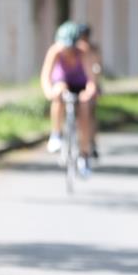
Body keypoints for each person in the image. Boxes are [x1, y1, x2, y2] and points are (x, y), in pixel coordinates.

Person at [40, 21, 98, 177]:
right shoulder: (55, 52)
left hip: (81, 84)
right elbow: (45, 77)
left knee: (85, 108)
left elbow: (92, 81)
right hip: (62, 83)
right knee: (59, 93)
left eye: (71, 47)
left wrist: (88, 93)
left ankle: (84, 155)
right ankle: (56, 133)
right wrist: (49, 92)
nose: (68, 51)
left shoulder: (83, 52)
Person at [75, 24, 103, 160]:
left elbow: (98, 65)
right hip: (79, 83)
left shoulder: (93, 49)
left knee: (91, 114)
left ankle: (92, 142)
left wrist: (96, 83)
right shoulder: (75, 49)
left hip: (91, 83)